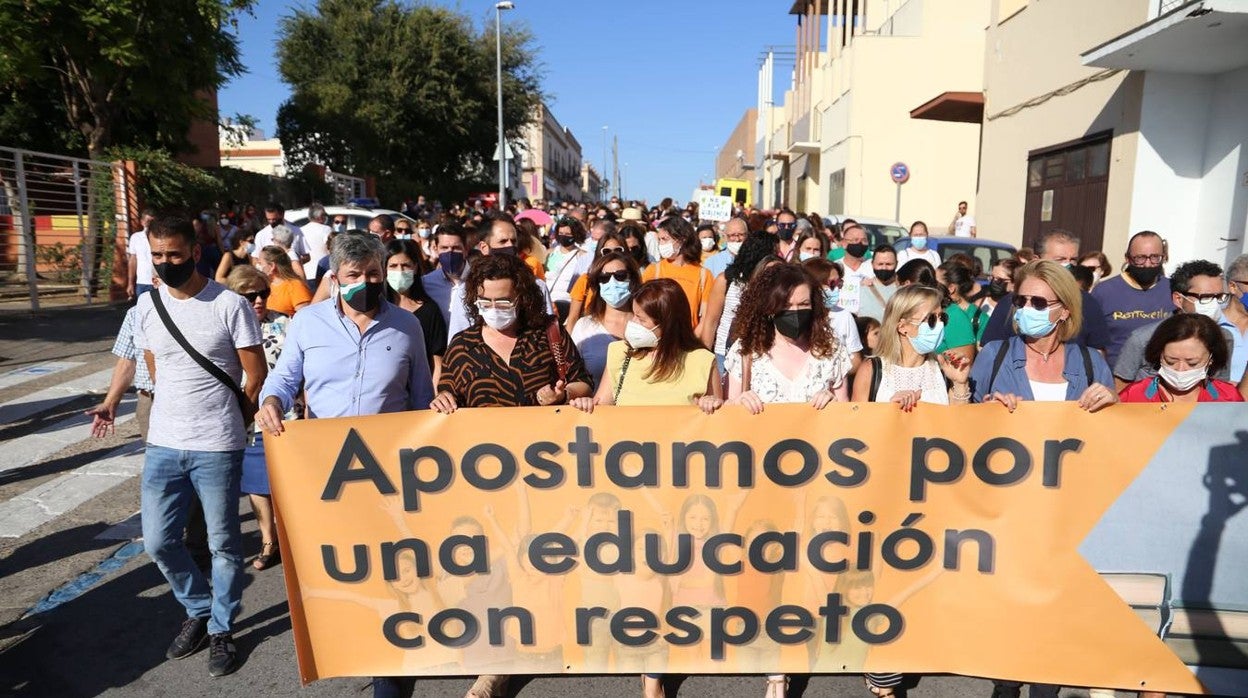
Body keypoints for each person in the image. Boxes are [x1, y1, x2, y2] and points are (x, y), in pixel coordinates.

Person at [256, 232, 434, 698]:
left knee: (393, 576)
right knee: (341, 570)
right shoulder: (307, 323)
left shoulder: (407, 326)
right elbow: (283, 379)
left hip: (389, 475)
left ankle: (391, 673)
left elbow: (421, 399)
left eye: (374, 274)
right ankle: (354, 647)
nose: (366, 283)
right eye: (355, 275)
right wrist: (271, 401)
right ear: (335, 278)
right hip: (327, 474)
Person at [134, 216, 266, 677]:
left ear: (194, 252)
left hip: (217, 445)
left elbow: (255, 375)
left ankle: (221, 629)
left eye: (173, 254)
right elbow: (156, 367)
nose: (165, 262)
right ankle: (198, 608)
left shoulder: (229, 304)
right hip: (163, 444)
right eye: (157, 255)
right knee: (159, 541)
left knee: (224, 544)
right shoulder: (147, 306)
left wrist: (233, 421)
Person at [433, 253, 592, 413]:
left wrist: (563, 395)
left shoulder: (547, 332)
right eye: (485, 302)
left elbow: (583, 382)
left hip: (545, 428)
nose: (494, 308)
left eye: (503, 302)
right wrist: (443, 400)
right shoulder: (462, 346)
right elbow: (447, 394)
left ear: (522, 298)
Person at [971, 260, 1117, 414]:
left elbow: (1111, 419)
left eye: (1038, 302)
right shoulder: (993, 355)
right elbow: (969, 415)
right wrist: (988, 409)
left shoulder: (1091, 362)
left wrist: (1113, 399)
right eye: (1020, 300)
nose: (1026, 308)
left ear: (1064, 311)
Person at [223, 265, 291, 571]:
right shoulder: (225, 328)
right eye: (250, 296)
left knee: (287, 484)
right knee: (256, 483)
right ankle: (268, 540)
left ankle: (291, 539)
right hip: (246, 417)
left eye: (263, 293)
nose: (259, 300)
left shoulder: (285, 323)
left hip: (287, 417)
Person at [571, 278, 722, 414]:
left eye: (641, 319)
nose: (633, 323)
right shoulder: (621, 352)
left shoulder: (703, 361)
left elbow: (718, 419)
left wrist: (711, 403)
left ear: (667, 325)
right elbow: (600, 408)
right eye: (634, 315)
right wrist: (587, 404)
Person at [725, 263, 852, 417]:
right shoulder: (746, 349)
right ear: (770, 307)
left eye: (804, 304)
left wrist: (834, 404)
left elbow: (845, 414)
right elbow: (728, 413)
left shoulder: (831, 349)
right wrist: (738, 403)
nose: (795, 311)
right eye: (786, 305)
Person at [1113, 260, 1238, 389]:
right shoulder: (1143, 339)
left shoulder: (1224, 338)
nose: (1214, 304)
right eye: (1205, 297)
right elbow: (1121, 389)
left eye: (1219, 297)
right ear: (1179, 299)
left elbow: (1220, 386)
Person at [980, 229, 1110, 351]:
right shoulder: (1013, 302)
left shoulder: (1086, 303)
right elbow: (990, 352)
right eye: (1060, 259)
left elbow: (1098, 352)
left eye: (1073, 260)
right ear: (1037, 260)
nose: (1068, 265)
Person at [852, 285, 971, 409]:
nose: (940, 324)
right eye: (931, 319)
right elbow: (857, 419)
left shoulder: (944, 369)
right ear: (902, 327)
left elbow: (958, 419)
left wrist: (960, 383)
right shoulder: (872, 370)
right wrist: (890, 409)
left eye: (942, 317)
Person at [447, 214, 555, 338]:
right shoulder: (466, 290)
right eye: (503, 241)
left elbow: (549, 332)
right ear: (484, 247)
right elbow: (457, 337)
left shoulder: (536, 286)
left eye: (513, 241)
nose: (510, 246)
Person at [1119, 314, 1244, 404]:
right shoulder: (1133, 396)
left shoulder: (1228, 398)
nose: (1180, 369)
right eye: (1171, 361)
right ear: (1160, 355)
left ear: (1211, 359)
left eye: (1192, 363)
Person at [1091, 231, 1172, 367]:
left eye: (1155, 257)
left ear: (1163, 257)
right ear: (1128, 258)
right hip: (1115, 375)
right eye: (1140, 258)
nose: (1147, 264)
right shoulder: (1104, 292)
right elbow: (1092, 343)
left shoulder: (1173, 289)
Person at [702, 232, 781, 362]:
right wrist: (705, 359)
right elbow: (711, 321)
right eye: (775, 253)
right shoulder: (726, 280)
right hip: (725, 353)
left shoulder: (775, 283)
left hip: (763, 355)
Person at [571, 251, 641, 389]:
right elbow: (573, 375)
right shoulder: (584, 327)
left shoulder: (647, 324)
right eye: (604, 278)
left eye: (620, 276)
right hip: (596, 401)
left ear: (632, 279)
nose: (612, 282)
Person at [385, 239, 448, 385]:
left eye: (406, 265)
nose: (400, 272)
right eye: (393, 266)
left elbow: (437, 362)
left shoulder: (429, 310)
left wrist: (434, 393)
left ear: (415, 268)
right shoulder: (376, 308)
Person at [641, 216, 715, 333]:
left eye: (664, 239)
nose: (661, 244)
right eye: (659, 240)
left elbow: (705, 317)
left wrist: (693, 340)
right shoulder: (653, 271)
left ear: (682, 239)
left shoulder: (704, 275)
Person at [802, 258, 864, 373]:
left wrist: (833, 374)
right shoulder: (797, 315)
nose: (836, 289)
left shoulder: (844, 316)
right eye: (831, 284)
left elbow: (856, 360)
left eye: (839, 283)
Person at [564, 231, 630, 332]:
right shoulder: (585, 281)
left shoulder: (631, 280)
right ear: (599, 253)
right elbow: (573, 318)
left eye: (618, 250)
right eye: (606, 251)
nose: (612, 255)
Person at [546, 217, 592, 322]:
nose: (563, 236)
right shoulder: (549, 254)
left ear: (576, 235)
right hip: (548, 303)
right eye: (561, 233)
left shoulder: (583, 256)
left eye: (568, 234)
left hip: (568, 305)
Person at [422, 223, 469, 326]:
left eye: (456, 248)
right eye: (444, 248)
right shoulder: (426, 283)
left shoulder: (480, 280)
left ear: (466, 249)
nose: (450, 252)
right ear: (436, 249)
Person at [937, 261, 985, 360]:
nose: (929, 286)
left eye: (935, 283)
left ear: (951, 288)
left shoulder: (981, 318)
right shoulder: (935, 311)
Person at [256, 246, 312, 317]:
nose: (257, 266)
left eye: (260, 263)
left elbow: (306, 317)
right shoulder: (264, 286)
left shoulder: (296, 287)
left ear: (272, 266)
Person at [834, 224, 876, 315]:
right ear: (844, 243)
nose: (860, 244)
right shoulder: (834, 268)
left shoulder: (874, 267)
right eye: (855, 240)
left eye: (864, 240)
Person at [857, 245, 900, 322]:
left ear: (896, 264)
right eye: (880, 264)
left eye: (889, 264)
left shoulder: (904, 288)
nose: (884, 268)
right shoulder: (862, 287)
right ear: (872, 264)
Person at [127, 209, 156, 300]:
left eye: (153, 222)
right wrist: (130, 283)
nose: (150, 225)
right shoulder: (136, 238)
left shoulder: (160, 238)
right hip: (142, 282)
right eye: (148, 221)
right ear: (142, 222)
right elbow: (133, 261)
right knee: (142, 307)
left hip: (158, 282)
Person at [302, 204, 333, 280]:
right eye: (324, 215)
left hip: (306, 273)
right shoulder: (326, 229)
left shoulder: (301, 230)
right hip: (323, 272)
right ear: (320, 216)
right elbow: (331, 248)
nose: (325, 218)